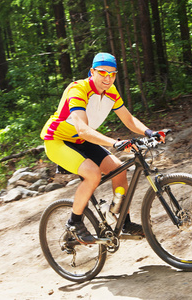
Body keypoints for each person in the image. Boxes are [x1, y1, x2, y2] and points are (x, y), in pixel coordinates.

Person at [40, 52, 164, 244]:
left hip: (82, 140)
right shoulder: (78, 90)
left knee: (119, 170)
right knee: (93, 173)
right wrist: (114, 143)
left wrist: (149, 132)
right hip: (58, 140)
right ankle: (74, 222)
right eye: (103, 73)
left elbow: (128, 119)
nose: (108, 78)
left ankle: (124, 222)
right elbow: (82, 129)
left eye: (112, 74)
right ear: (92, 72)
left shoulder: (111, 91)